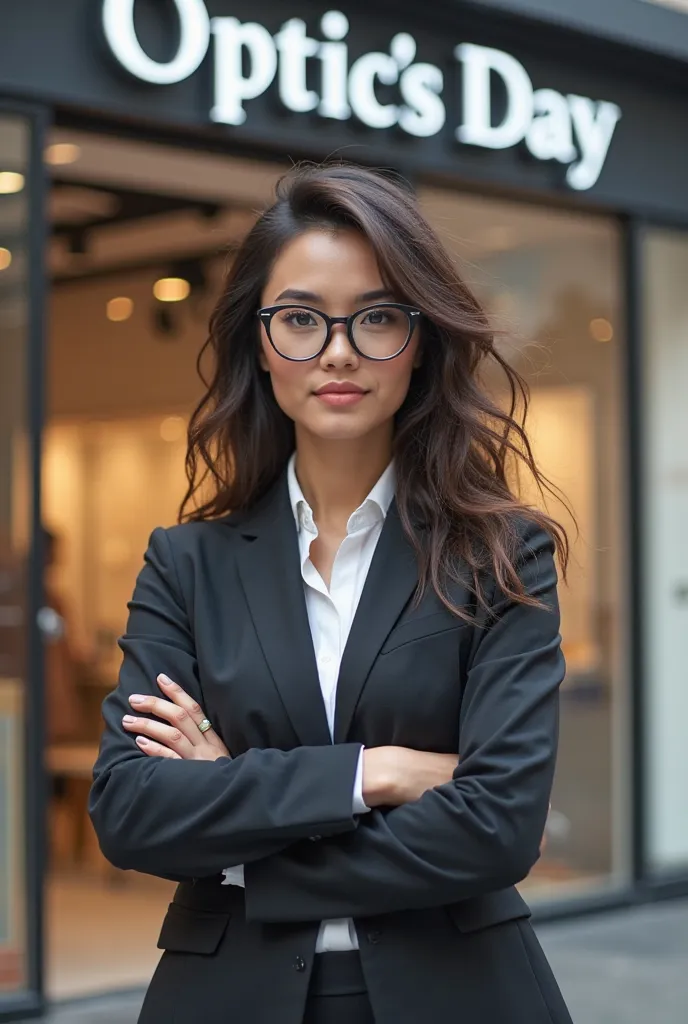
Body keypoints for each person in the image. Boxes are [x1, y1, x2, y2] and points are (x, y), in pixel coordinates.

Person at [89, 164, 573, 1024]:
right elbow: (132, 811)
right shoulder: (185, 564)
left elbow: (498, 828)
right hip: (226, 994)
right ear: (259, 341)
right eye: (302, 320)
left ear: (420, 341)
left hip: (458, 993)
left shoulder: (502, 553)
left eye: (378, 317)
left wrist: (237, 822)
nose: (339, 350)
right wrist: (377, 773)